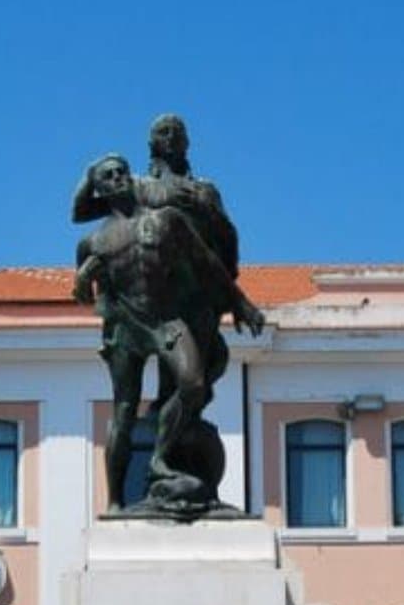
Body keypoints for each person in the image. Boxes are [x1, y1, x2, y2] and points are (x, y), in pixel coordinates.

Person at [74, 154, 263, 513]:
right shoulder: (92, 244)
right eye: (109, 176)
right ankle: (114, 501)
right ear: (99, 189)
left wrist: (242, 304)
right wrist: (82, 280)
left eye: (122, 172)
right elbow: (87, 296)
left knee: (192, 384)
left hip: (165, 321)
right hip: (125, 327)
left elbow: (208, 263)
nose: (119, 178)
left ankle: (160, 458)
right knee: (124, 411)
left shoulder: (166, 222)